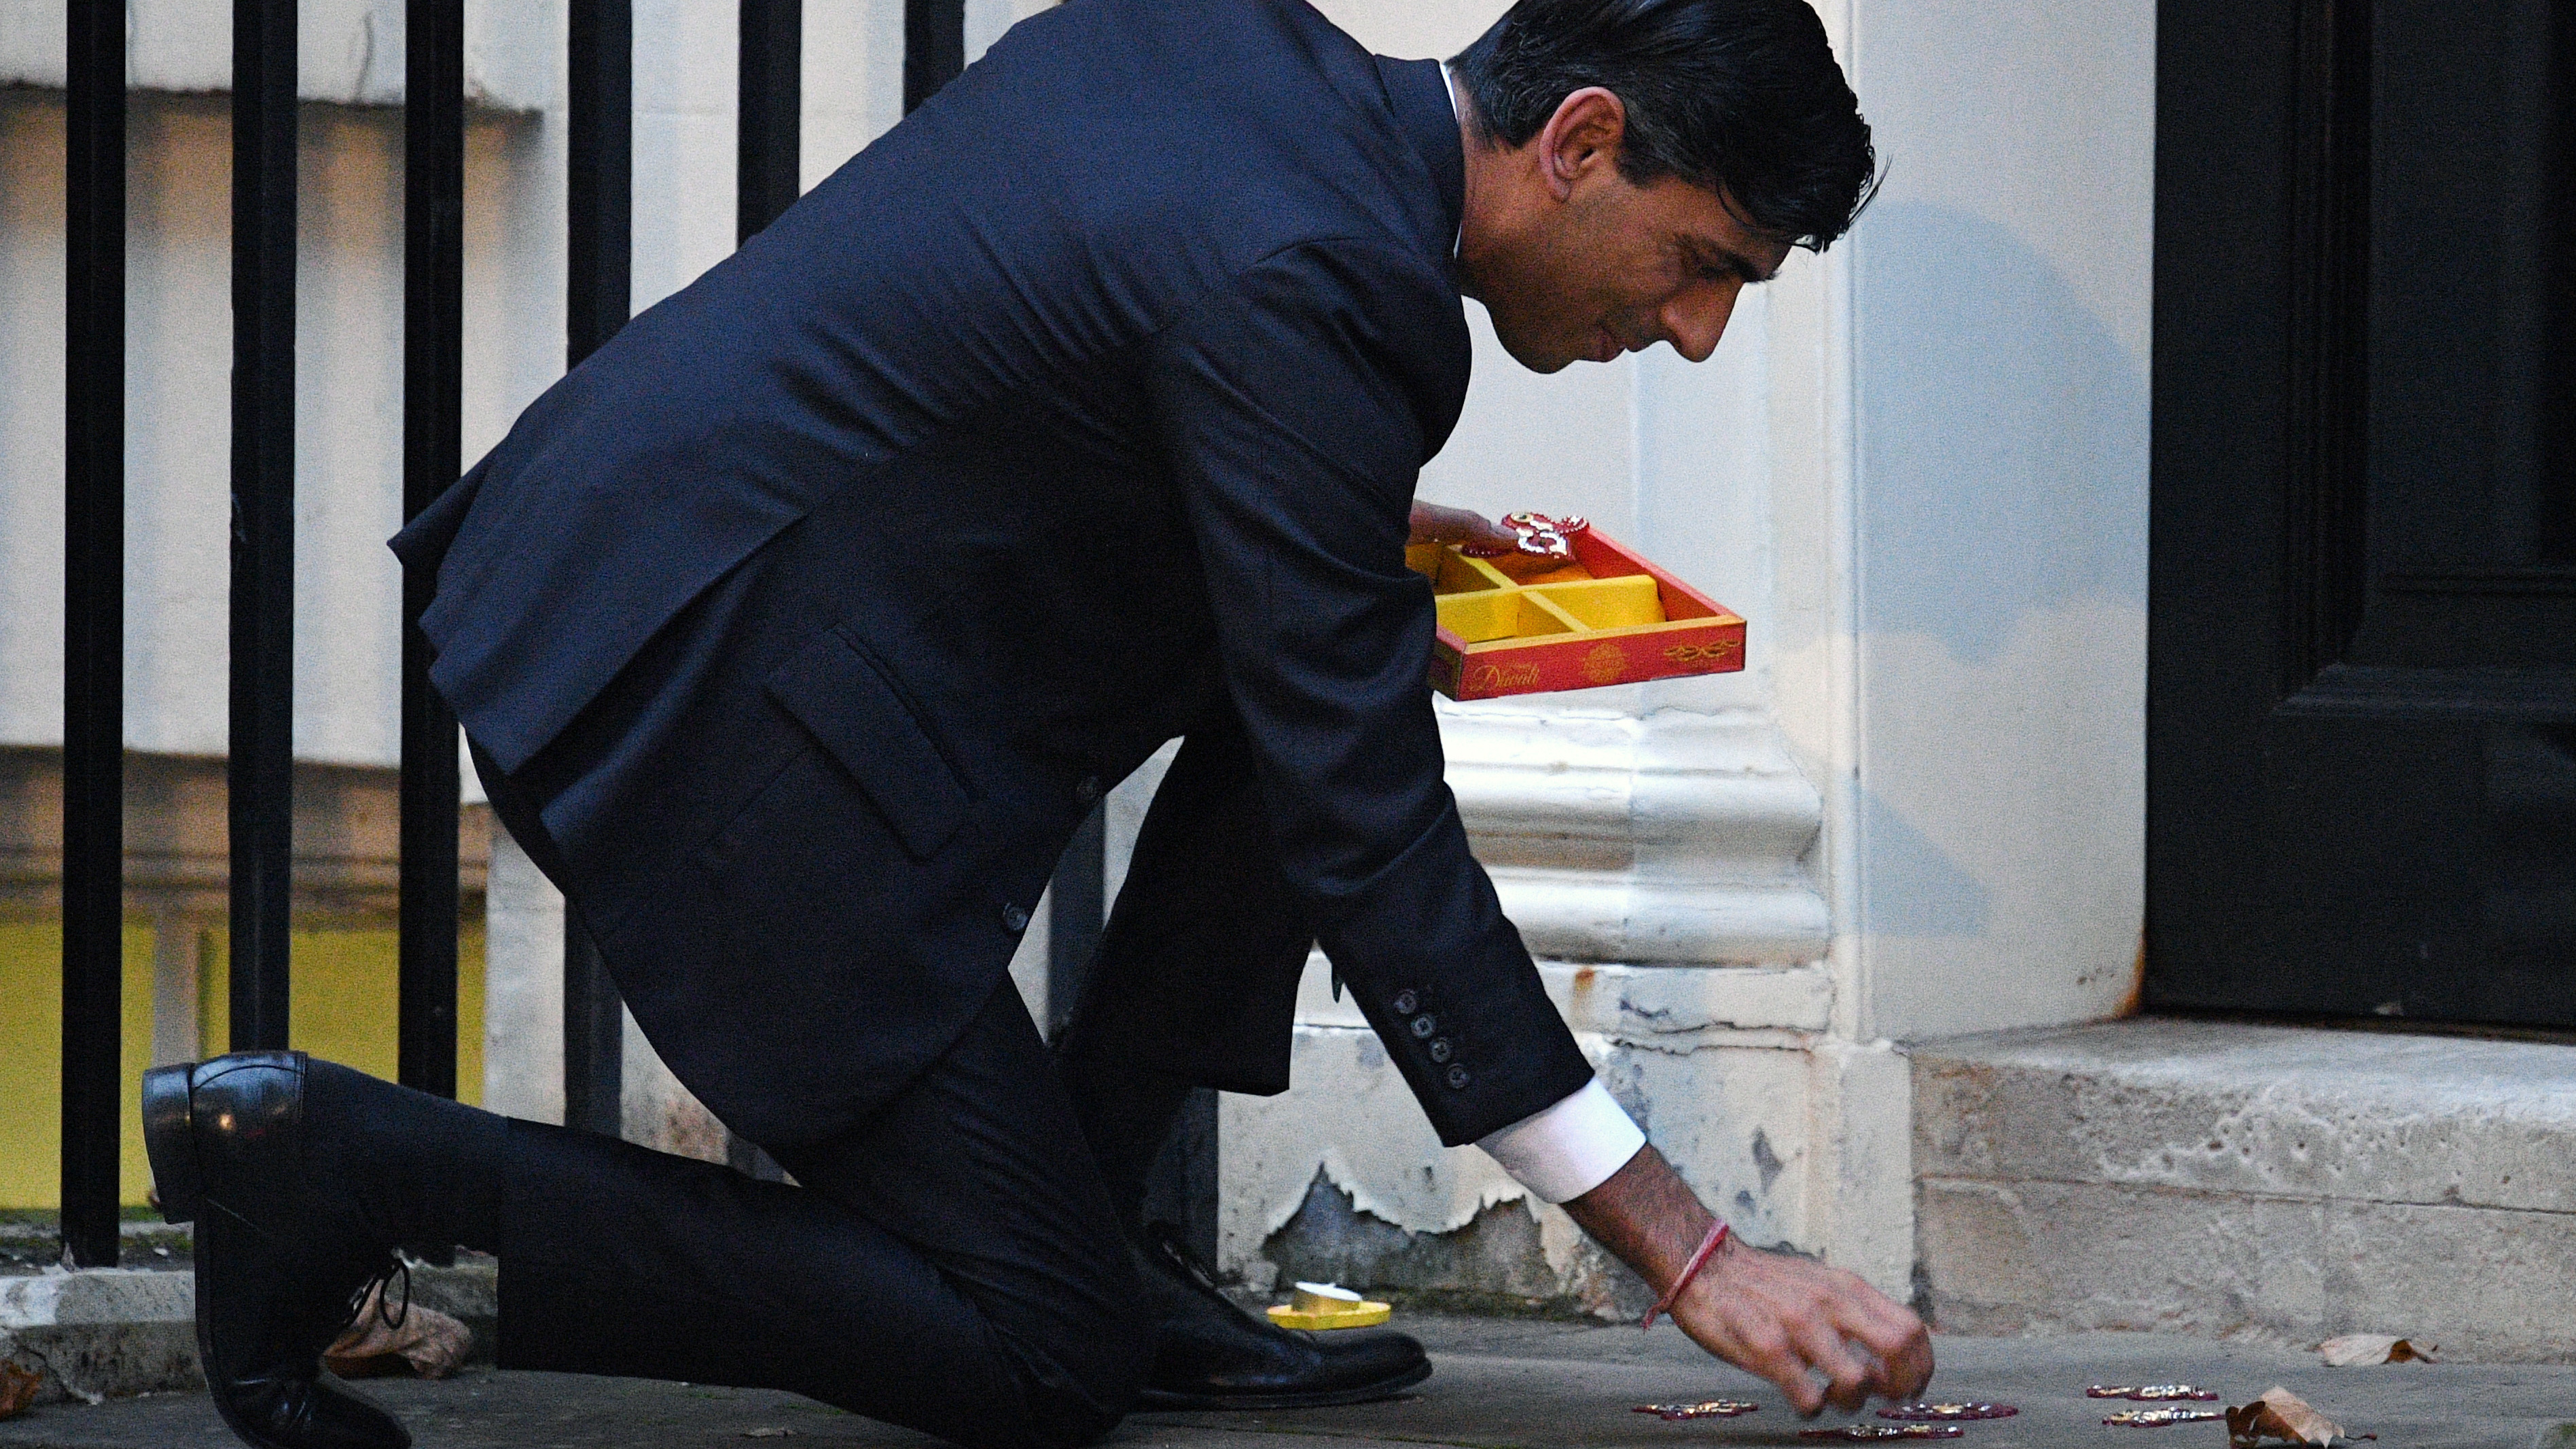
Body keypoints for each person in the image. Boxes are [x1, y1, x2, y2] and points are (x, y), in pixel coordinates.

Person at [140, 1, 1932, 1446]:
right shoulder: (1323, 278)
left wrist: (1327, 530)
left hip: (640, 579)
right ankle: (337, 1164)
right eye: (1705, 264)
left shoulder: (1228, 52)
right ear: (1586, 142)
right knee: (1037, 1355)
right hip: (714, 723)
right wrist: (1689, 1252)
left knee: (1348, 641)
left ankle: (1100, 1215)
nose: (1693, 331)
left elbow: (1035, 352)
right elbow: (1366, 829)